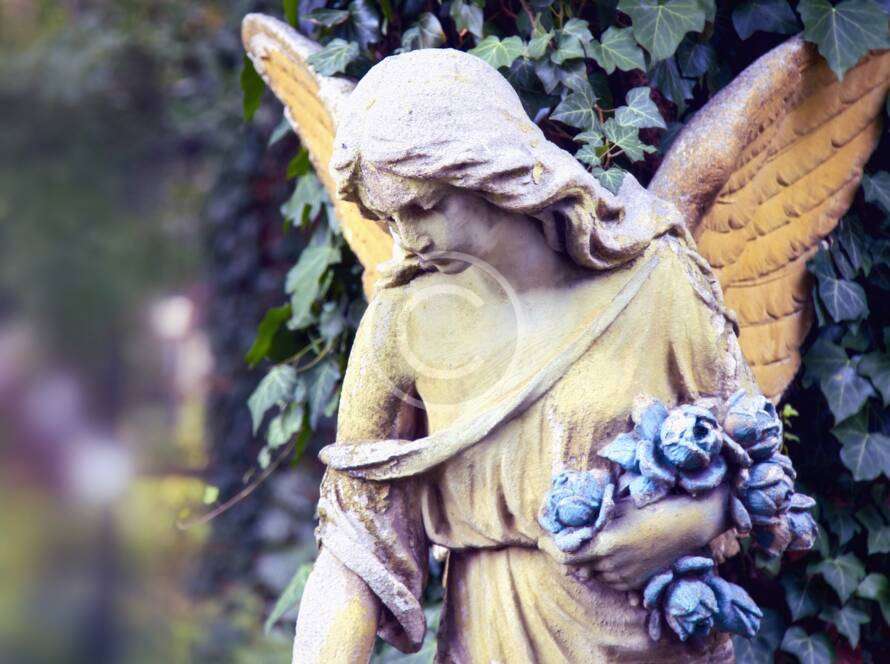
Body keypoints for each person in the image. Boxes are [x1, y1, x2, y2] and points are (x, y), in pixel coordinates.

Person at [293, 48, 756, 663]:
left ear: (489, 172)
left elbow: (758, 460)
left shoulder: (655, 283)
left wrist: (691, 523)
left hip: (652, 641)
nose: (408, 237)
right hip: (491, 639)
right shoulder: (403, 321)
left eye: (425, 206)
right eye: (388, 217)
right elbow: (354, 540)